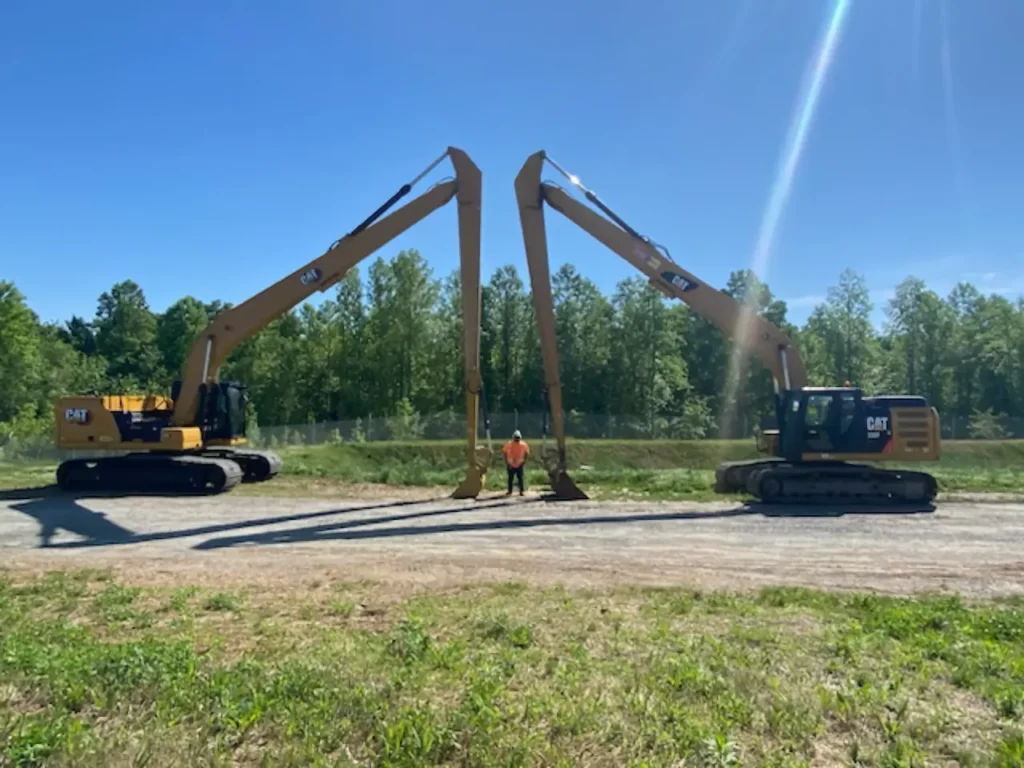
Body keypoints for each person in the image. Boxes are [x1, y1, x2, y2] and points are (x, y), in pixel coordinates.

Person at [502, 429, 529, 496]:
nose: (517, 439)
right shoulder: (508, 444)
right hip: (511, 463)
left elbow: (526, 453)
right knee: (510, 478)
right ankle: (510, 491)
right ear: (513, 437)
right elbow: (504, 452)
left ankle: (521, 491)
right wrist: (507, 462)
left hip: (520, 463)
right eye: (516, 438)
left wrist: (524, 461)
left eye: (518, 438)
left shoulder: (524, 444)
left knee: (520, 478)